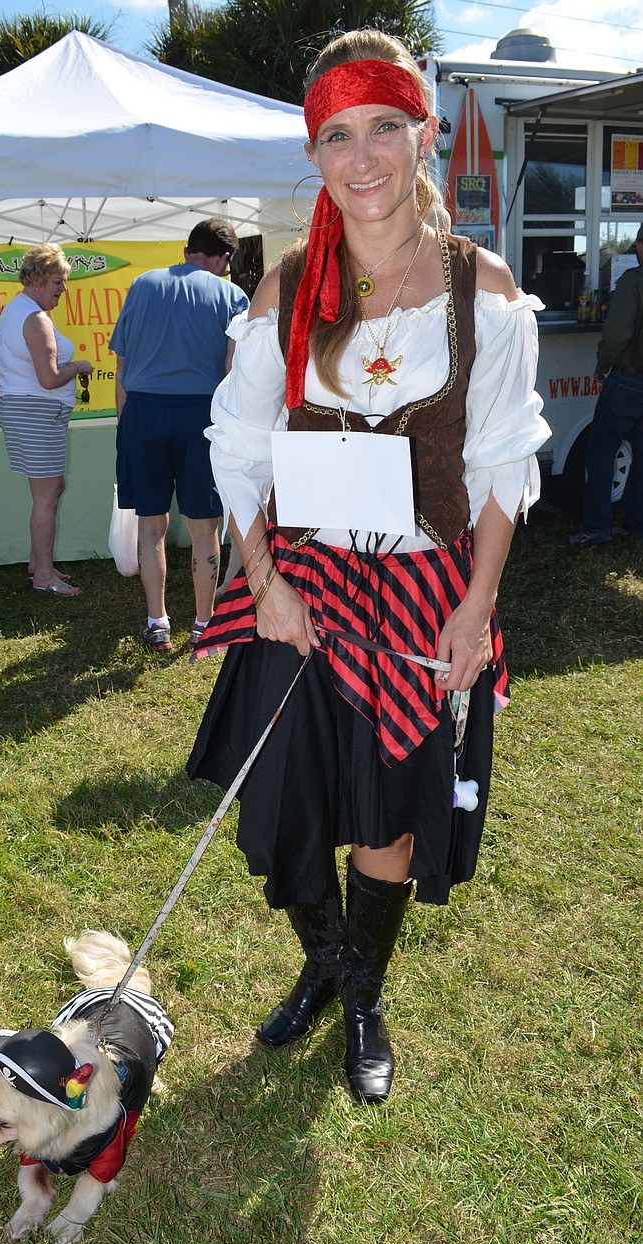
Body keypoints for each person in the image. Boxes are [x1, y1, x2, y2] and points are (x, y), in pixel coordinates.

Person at [186, 29, 550, 1105]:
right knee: (291, 802)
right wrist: (263, 576)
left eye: (383, 126)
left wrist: (477, 607)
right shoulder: (286, 284)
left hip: (423, 587)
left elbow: (500, 461)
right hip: (301, 584)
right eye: (335, 134)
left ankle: (362, 995)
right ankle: (321, 958)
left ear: (423, 134)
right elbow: (238, 448)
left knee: (389, 805)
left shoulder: (478, 284)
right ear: (315, 152)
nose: (361, 157)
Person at [109, 218, 248, 652]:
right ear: (223, 258)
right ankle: (204, 624)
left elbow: (121, 363)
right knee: (204, 526)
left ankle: (157, 620)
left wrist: (124, 422)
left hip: (143, 412)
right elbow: (233, 371)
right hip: (200, 417)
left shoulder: (142, 284)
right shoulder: (232, 295)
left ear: (189, 249)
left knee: (151, 524)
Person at [0, 243, 93, 595]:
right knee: (47, 496)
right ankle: (43, 576)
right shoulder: (35, 319)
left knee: (49, 491)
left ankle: (39, 564)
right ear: (35, 279)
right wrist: (79, 366)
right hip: (35, 411)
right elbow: (49, 378)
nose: (63, 290)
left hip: (26, 410)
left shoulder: (16, 309)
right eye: (57, 282)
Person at [568, 224, 643, 548]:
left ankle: (598, 526)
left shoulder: (633, 281)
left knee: (600, 451)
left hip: (629, 379)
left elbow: (617, 335)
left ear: (640, 245)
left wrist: (603, 366)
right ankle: (637, 524)